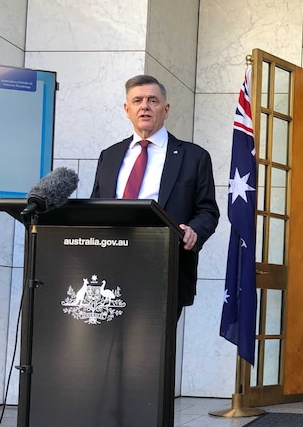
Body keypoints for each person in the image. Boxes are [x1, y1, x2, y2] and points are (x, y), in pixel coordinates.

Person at [91, 75, 220, 318]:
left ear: (166, 109)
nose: (145, 106)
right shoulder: (109, 156)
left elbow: (208, 211)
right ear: (127, 109)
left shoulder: (193, 157)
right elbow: (96, 207)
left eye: (153, 100)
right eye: (137, 100)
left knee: (152, 353)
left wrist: (194, 231)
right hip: (110, 268)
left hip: (164, 270)